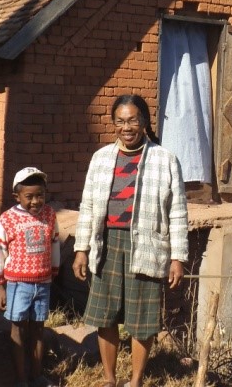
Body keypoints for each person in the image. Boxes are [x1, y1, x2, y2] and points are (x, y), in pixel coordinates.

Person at [72, 94, 188, 387]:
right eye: (120, 121)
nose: (127, 127)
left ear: (145, 122)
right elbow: (87, 206)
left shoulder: (165, 160)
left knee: (142, 319)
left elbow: (177, 213)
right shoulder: (100, 159)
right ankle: (110, 378)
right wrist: (81, 249)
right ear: (114, 124)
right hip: (107, 244)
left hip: (147, 247)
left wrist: (178, 257)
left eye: (133, 120)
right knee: (106, 316)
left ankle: (135, 380)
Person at [0, 167, 60, 387]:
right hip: (17, 284)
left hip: (43, 283)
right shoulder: (7, 219)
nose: (35, 201)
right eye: (29, 197)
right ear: (17, 196)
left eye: (40, 195)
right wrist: (0, 286)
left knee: (38, 329)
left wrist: (54, 271)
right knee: (18, 329)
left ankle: (37, 375)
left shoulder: (50, 215)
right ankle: (21, 379)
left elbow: (55, 244)